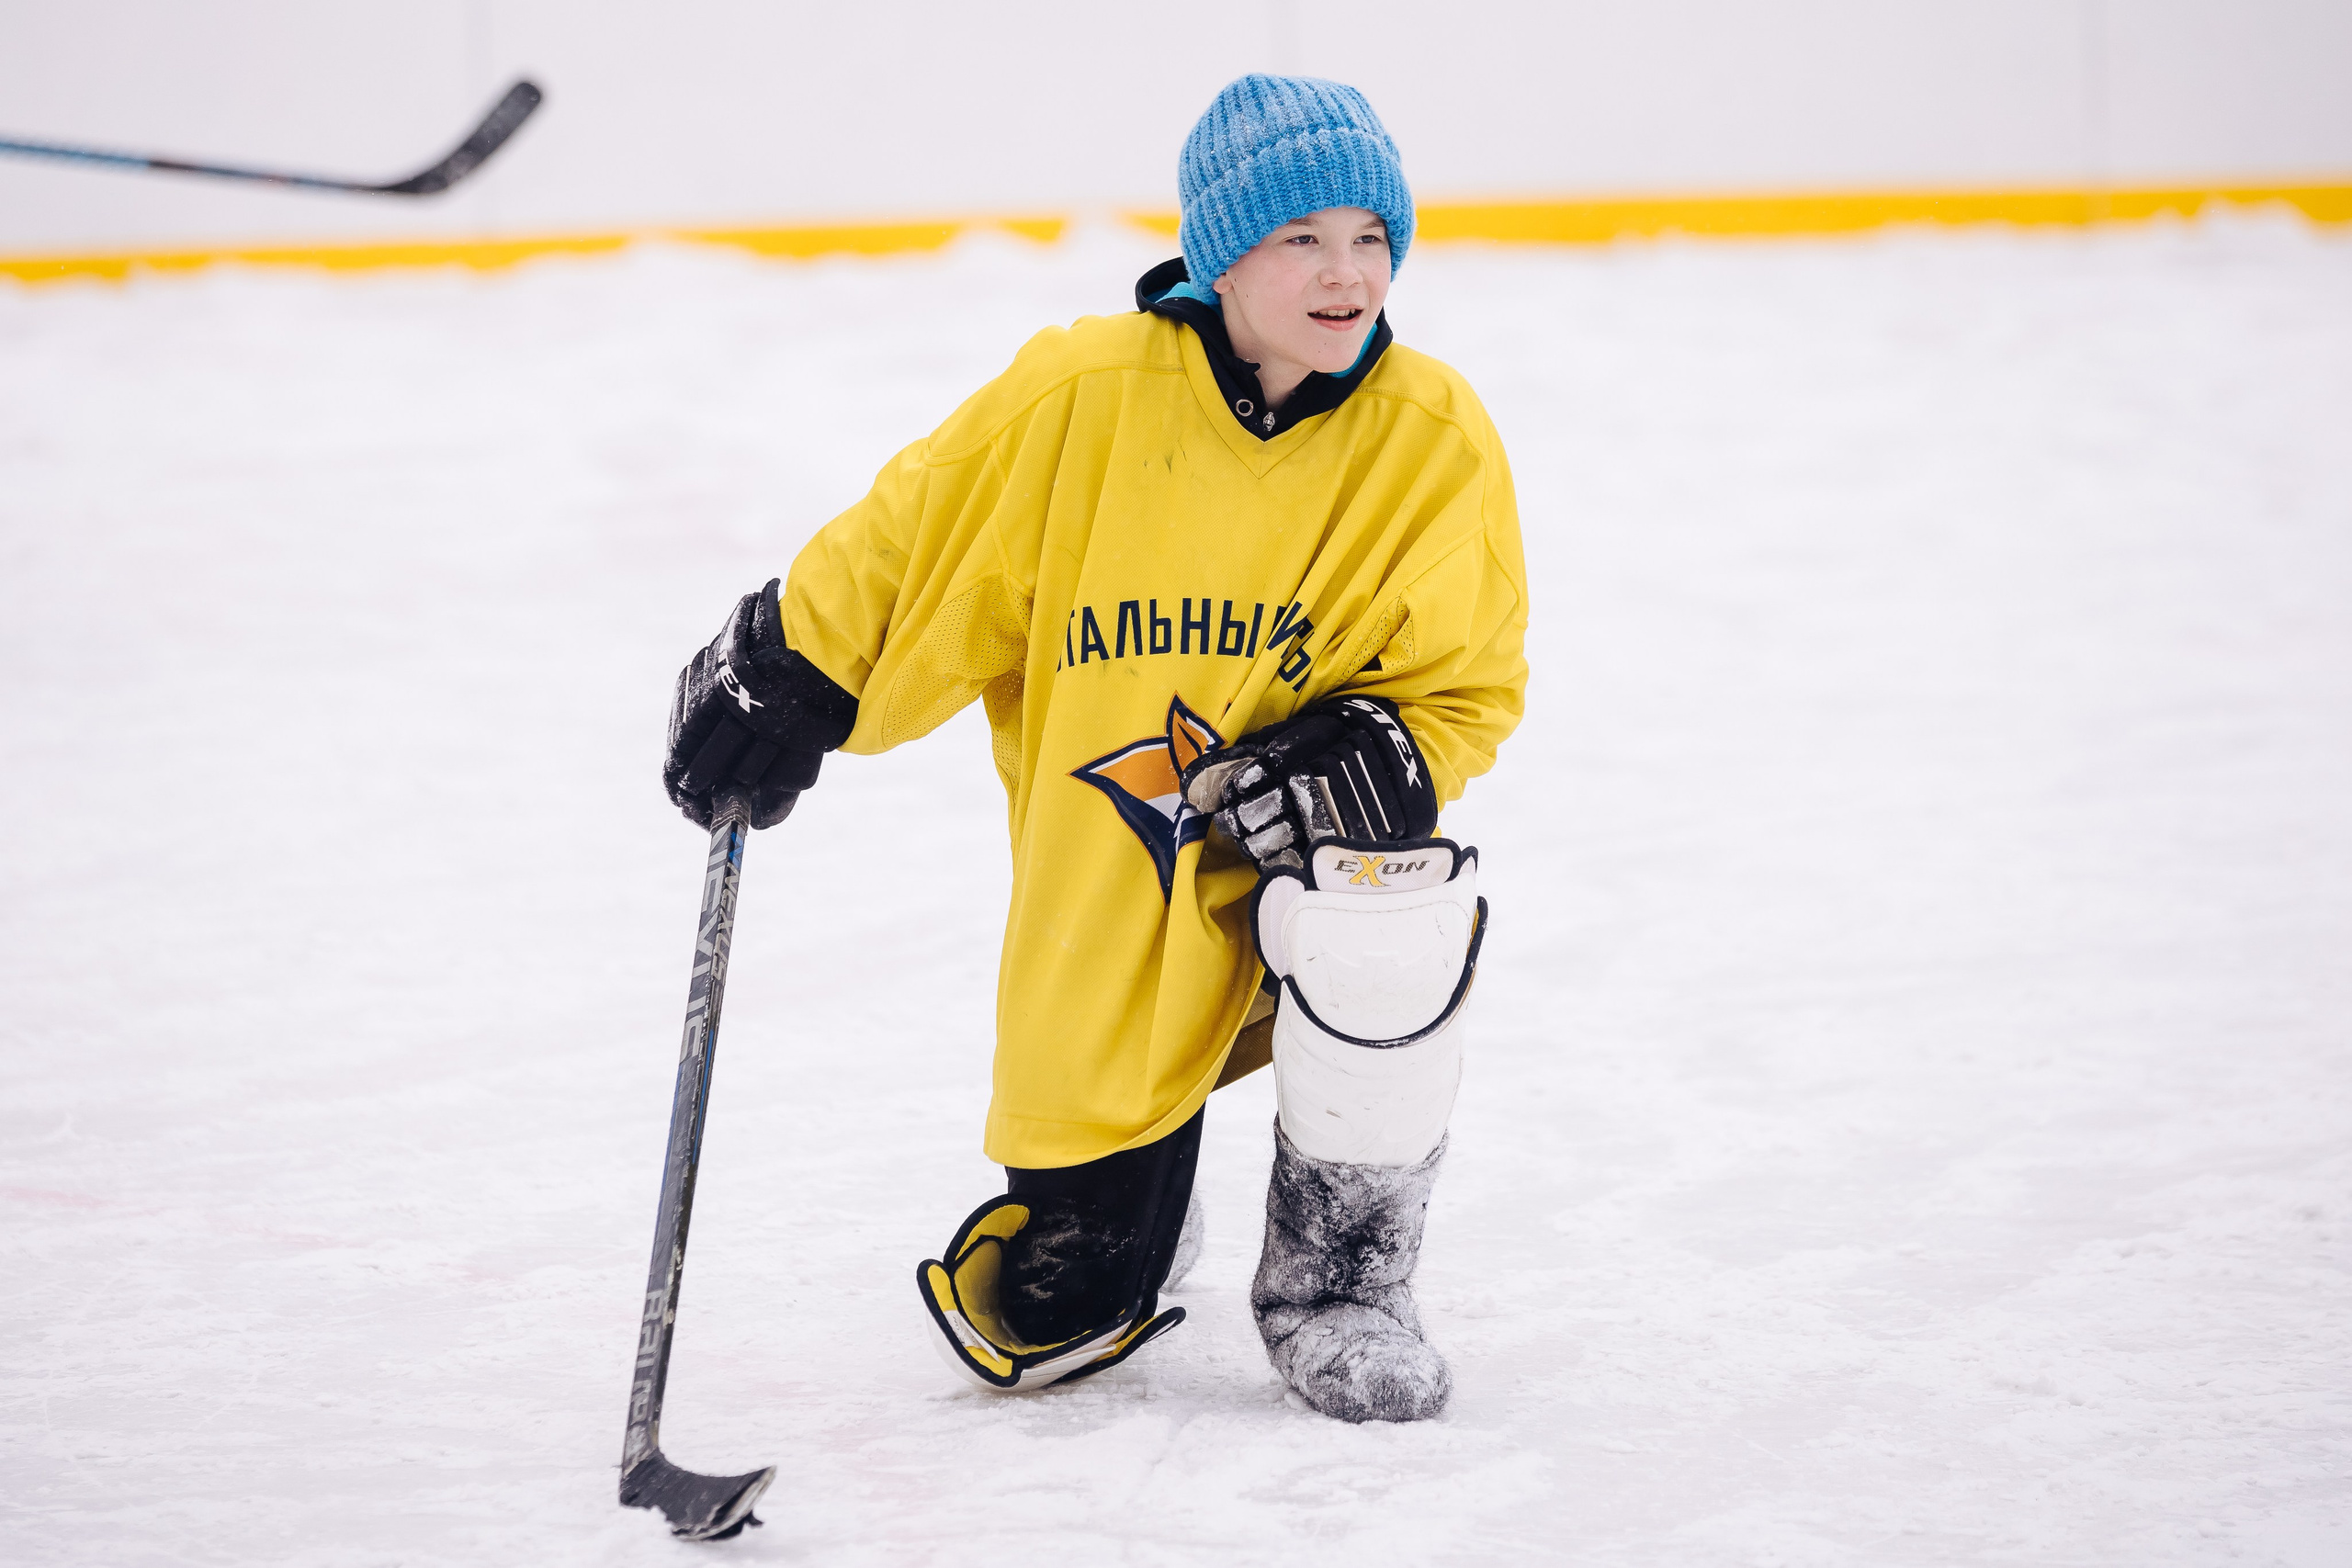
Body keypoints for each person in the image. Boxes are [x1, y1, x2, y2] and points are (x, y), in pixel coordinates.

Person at [662, 74, 1526, 1423]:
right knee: (1057, 1311)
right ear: (1222, 250)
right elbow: (916, 535)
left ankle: (1342, 1282)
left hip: (1306, 865)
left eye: (1372, 236)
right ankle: (1137, 1192)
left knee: (1397, 915)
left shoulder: (1433, 434)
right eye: (1301, 238)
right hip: (1121, 879)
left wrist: (1384, 746)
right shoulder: (1084, 396)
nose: (1346, 274)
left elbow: (1469, 682)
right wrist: (788, 660)